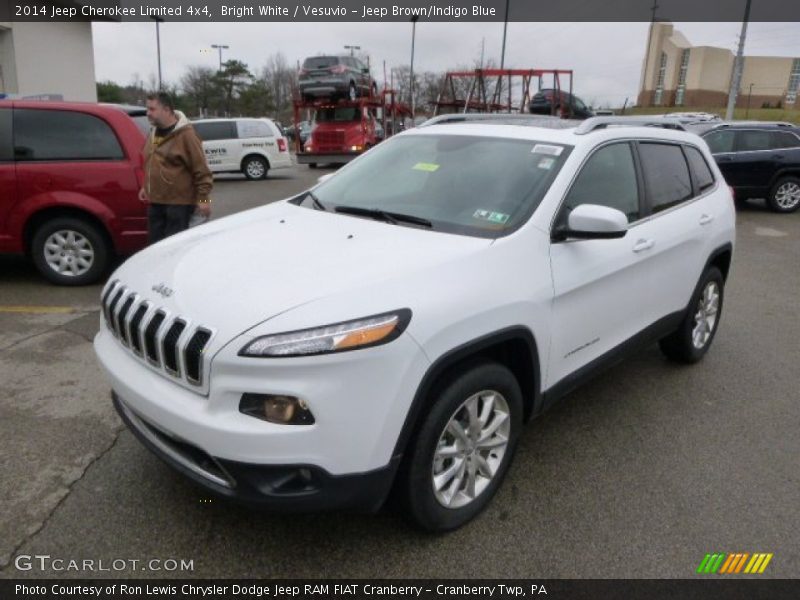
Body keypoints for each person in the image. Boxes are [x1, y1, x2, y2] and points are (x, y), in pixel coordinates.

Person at [139, 92, 213, 244]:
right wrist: (146, 186)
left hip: (178, 205)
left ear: (166, 110)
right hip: (155, 202)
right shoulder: (153, 132)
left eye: (152, 109)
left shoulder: (186, 135)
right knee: (155, 246)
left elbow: (202, 171)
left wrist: (204, 199)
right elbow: (153, 162)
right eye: (147, 109)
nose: (148, 113)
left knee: (175, 246)